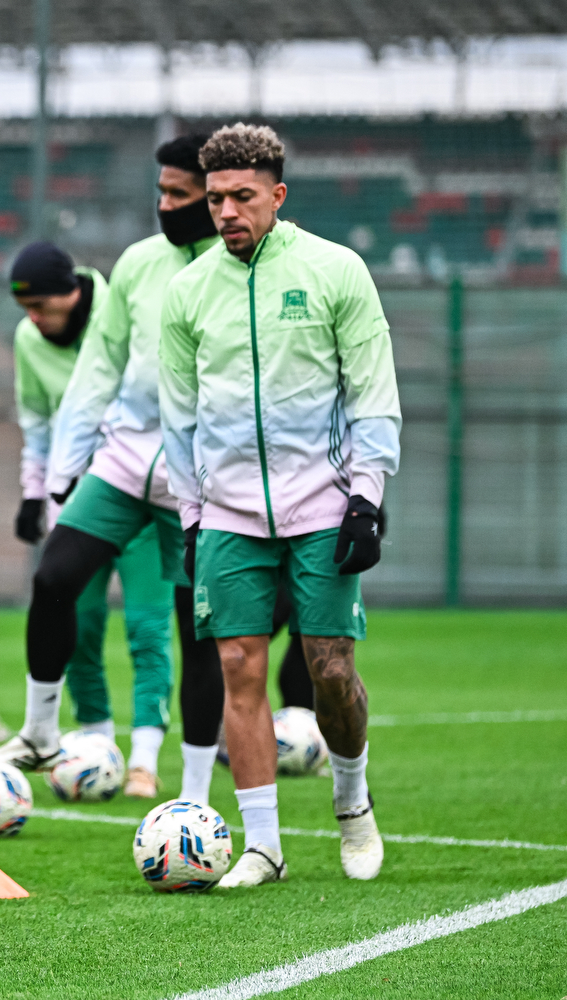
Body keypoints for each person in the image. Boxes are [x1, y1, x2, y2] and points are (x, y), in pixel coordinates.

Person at [159, 123, 400, 888]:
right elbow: (179, 419)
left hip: (325, 506)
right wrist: (191, 515)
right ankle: (263, 846)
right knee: (238, 666)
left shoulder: (335, 270)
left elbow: (372, 393)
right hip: (227, 514)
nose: (227, 212)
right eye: (216, 199)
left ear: (278, 195)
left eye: (243, 197)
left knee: (330, 670)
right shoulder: (187, 291)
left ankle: (352, 802)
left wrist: (367, 497)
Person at [0, 135, 228, 804]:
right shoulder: (138, 264)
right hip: (124, 463)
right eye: (162, 192)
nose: (166, 205)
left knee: (193, 630)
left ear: (214, 198)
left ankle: (194, 794)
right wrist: (59, 481)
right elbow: (97, 372)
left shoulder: (239, 270)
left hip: (202, 477)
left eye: (180, 194)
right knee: (55, 577)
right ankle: (41, 732)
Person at [3, 240, 175, 799]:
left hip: (142, 489)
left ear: (72, 292)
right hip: (80, 499)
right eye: (24, 308)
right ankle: (96, 750)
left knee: (148, 627)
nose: (33, 318)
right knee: (77, 621)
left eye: (41, 305)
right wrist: (34, 495)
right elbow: (38, 422)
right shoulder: (29, 339)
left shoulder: (121, 310)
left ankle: (145, 760)